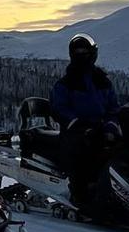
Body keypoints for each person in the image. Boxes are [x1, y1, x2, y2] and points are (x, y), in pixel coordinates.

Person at [51, 33, 120, 209]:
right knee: (84, 152)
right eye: (78, 52)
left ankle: (122, 194)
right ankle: (83, 197)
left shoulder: (102, 81)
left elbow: (113, 107)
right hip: (76, 132)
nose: (82, 55)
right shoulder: (66, 83)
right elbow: (59, 108)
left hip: (101, 129)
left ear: (92, 53)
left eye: (85, 51)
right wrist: (77, 124)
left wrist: (111, 126)